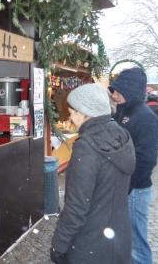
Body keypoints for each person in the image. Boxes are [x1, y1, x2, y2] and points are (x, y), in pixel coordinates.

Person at [51, 83, 136, 264]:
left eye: (73, 111)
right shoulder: (122, 135)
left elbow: (76, 206)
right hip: (118, 238)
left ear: (86, 113)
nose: (70, 116)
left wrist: (59, 246)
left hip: (90, 246)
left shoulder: (87, 147)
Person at [109, 68, 158, 264]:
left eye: (118, 90)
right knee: (126, 238)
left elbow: (146, 161)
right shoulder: (123, 112)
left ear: (129, 90)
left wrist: (128, 184)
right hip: (125, 186)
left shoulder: (146, 118)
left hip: (136, 189)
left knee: (137, 242)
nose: (114, 94)